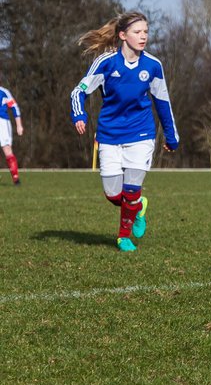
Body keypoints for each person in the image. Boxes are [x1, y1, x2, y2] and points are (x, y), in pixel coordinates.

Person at [69, 12, 179, 251]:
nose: (143, 37)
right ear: (122, 35)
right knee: (112, 194)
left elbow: (163, 102)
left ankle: (123, 236)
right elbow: (78, 91)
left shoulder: (153, 65)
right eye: (137, 32)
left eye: (146, 32)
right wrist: (79, 115)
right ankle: (138, 207)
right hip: (109, 136)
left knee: (131, 188)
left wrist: (171, 135)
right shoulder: (106, 63)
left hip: (141, 134)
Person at [0, 83, 23, 185]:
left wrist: (19, 125)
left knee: (7, 149)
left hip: (2, 122)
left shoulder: (4, 92)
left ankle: (15, 178)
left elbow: (14, 107)